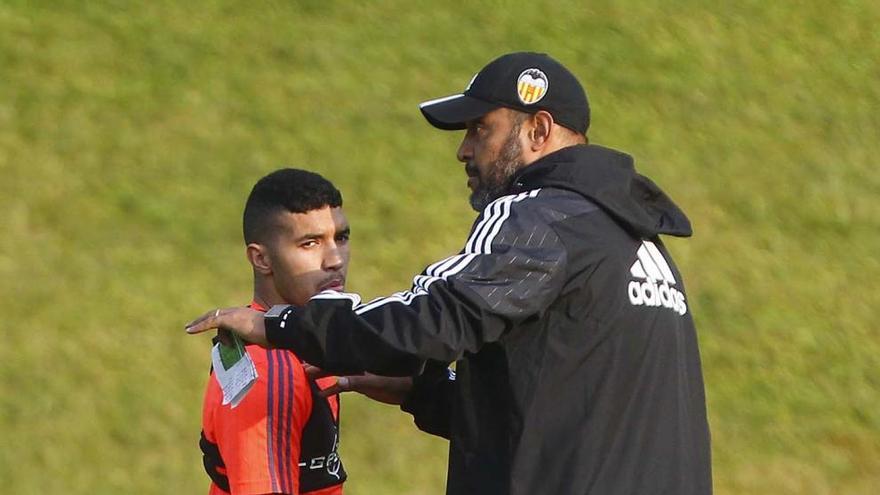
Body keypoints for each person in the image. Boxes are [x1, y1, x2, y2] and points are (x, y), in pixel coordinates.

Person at [188, 52, 712, 495]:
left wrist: (284, 326)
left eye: (480, 129)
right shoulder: (636, 242)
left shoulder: (539, 215)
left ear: (539, 129)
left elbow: (434, 315)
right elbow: (556, 414)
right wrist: (421, 391)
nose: (464, 149)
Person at [200, 168, 350, 495]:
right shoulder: (272, 369)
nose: (335, 260)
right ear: (262, 259)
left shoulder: (305, 345)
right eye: (309, 243)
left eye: (341, 237)